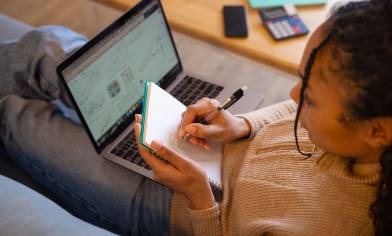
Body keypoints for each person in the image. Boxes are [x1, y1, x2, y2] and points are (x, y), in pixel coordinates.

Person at [1, 0, 391, 236]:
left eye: (311, 96)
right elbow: (289, 108)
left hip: (172, 204)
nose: (293, 96)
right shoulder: (350, 126)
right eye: (300, 76)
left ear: (378, 130)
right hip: (205, 147)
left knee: (18, 116)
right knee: (48, 45)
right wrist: (242, 125)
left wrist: (199, 198)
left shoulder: (344, 225)